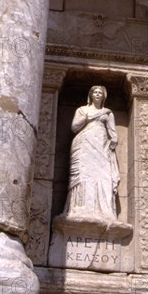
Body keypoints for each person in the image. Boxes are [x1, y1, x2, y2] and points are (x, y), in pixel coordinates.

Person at [62, 85, 120, 221]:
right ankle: (78, 208)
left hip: (101, 145)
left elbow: (113, 132)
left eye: (101, 92)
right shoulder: (82, 110)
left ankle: (105, 210)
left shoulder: (107, 113)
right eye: (96, 92)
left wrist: (114, 140)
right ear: (91, 95)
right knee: (83, 174)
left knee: (104, 174)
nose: (98, 94)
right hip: (83, 144)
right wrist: (87, 118)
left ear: (103, 96)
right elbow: (74, 127)